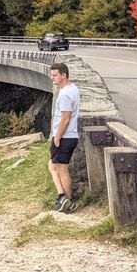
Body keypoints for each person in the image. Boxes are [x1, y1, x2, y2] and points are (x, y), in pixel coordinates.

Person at [48, 62, 81, 213]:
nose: (52, 78)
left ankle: (66, 200)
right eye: (52, 75)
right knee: (54, 166)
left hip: (64, 137)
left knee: (61, 169)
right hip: (69, 136)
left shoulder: (66, 94)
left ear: (64, 75)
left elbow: (65, 118)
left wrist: (57, 137)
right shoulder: (73, 89)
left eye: (55, 75)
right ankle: (63, 197)